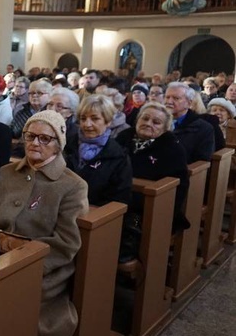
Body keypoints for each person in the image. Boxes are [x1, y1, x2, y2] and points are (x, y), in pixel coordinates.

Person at [0, 110, 88, 336]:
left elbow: (67, 244)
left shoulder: (73, 185)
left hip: (40, 268)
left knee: (0, 300)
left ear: (58, 145)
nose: (35, 143)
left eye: (45, 138)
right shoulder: (5, 173)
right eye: (30, 136)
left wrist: (10, 247)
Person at [115, 103, 190, 262]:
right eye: (145, 118)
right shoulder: (123, 137)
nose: (148, 123)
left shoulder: (172, 148)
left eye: (156, 122)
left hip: (148, 208)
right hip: (115, 198)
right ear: (137, 119)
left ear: (165, 129)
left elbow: (178, 187)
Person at [64, 95, 132, 207]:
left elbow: (119, 199)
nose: (87, 124)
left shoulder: (118, 156)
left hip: (97, 217)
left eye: (95, 118)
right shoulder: (66, 145)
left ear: (108, 121)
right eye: (83, 118)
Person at [165, 82, 215, 163]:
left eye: (176, 98)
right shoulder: (156, 122)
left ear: (189, 103)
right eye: (167, 97)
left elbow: (202, 161)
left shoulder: (203, 128)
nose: (169, 102)